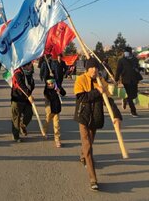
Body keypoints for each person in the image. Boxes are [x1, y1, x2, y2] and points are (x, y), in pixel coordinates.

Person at [74, 58, 122, 191]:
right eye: (92, 68)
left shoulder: (101, 81)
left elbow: (109, 101)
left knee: (89, 143)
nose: (94, 70)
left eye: (96, 68)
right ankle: (93, 179)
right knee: (88, 146)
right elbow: (81, 97)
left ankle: (83, 156)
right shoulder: (80, 79)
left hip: (95, 118)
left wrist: (117, 116)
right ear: (87, 69)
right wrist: (97, 91)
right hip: (83, 118)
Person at [11, 62, 35, 142]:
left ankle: (23, 125)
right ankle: (16, 136)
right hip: (17, 98)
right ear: (25, 66)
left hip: (26, 99)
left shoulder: (29, 74)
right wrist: (29, 95)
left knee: (29, 113)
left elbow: (31, 85)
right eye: (30, 65)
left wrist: (30, 93)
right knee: (16, 118)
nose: (31, 66)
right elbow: (21, 84)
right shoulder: (18, 73)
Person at [115, 47, 142, 117]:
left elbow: (137, 67)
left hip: (135, 80)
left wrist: (139, 69)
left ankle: (125, 100)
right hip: (126, 80)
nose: (125, 53)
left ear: (130, 52)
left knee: (134, 95)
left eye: (127, 52)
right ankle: (133, 111)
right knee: (130, 95)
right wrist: (116, 79)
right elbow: (118, 70)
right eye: (125, 52)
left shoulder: (135, 59)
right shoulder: (121, 60)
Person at [43, 77, 65, 148]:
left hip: (56, 109)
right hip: (50, 109)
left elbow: (64, 93)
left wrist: (60, 91)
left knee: (57, 124)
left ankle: (57, 139)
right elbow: (49, 97)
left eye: (52, 83)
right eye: (48, 84)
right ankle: (44, 131)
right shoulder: (46, 91)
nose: (50, 85)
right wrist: (56, 93)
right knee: (47, 120)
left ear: (54, 83)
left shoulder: (57, 87)